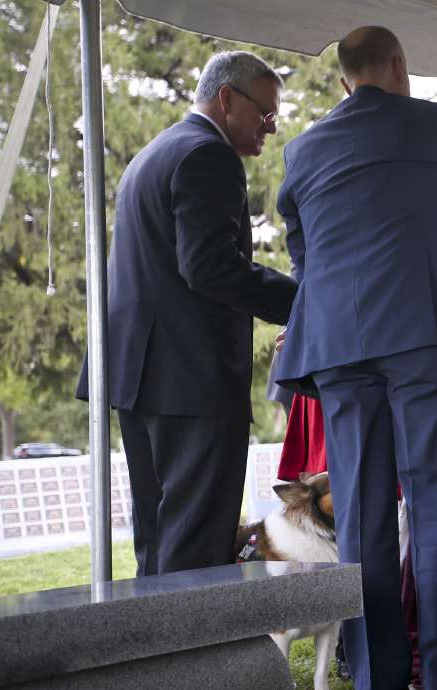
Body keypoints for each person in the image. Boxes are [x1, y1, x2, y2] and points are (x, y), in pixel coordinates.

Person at [273, 26, 437, 690]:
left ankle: (376, 678)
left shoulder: (302, 151)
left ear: (343, 80)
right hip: (424, 339)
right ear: (400, 66)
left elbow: (305, 259)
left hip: (340, 352)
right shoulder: (436, 124)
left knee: (360, 521)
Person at [75, 51, 298, 577]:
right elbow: (209, 267)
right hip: (190, 379)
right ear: (227, 98)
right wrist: (304, 302)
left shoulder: (154, 153)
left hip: (140, 376)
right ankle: (190, 635)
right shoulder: (208, 155)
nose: (271, 127)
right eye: (266, 112)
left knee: (158, 538)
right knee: (195, 542)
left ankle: (154, 633)